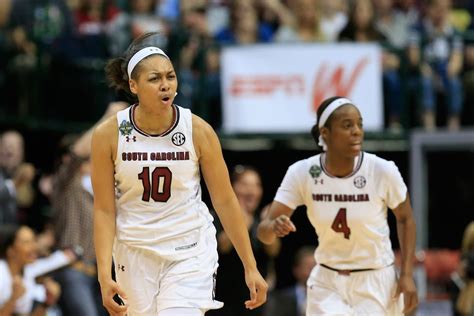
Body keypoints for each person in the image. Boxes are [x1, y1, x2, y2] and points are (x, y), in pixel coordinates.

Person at [91, 32, 268, 316]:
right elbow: (103, 209)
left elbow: (224, 200)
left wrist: (250, 265)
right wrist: (103, 274)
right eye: (155, 79)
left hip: (189, 248)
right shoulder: (108, 134)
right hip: (134, 251)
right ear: (133, 86)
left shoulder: (198, 130)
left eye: (170, 77)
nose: (166, 85)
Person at [257, 96, 418, 315]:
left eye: (359, 124)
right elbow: (263, 231)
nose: (357, 131)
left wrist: (407, 274)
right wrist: (274, 227)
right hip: (327, 279)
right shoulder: (302, 172)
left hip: (375, 276)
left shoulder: (382, 170)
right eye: (347, 125)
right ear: (325, 133)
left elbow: (405, 218)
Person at [50, 102, 126, 316]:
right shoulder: (66, 183)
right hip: (73, 269)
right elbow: (77, 153)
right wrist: (108, 118)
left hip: (101, 274)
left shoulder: (106, 189)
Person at [208, 165, 280, 316]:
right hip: (222, 300)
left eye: (256, 185)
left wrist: (269, 227)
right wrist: (239, 218)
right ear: (232, 188)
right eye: (245, 185)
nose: (251, 191)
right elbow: (222, 247)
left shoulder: (261, 219)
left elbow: (274, 250)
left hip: (254, 303)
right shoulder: (216, 217)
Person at [0, 224, 61, 316]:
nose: (34, 247)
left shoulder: (27, 274)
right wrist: (13, 298)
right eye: (26, 242)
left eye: (34, 241)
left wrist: (47, 303)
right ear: (11, 250)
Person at [264, 245, 316, 316]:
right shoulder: (279, 300)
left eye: (314, 266)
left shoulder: (329, 297)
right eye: (308, 267)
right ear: (296, 270)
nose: (312, 272)